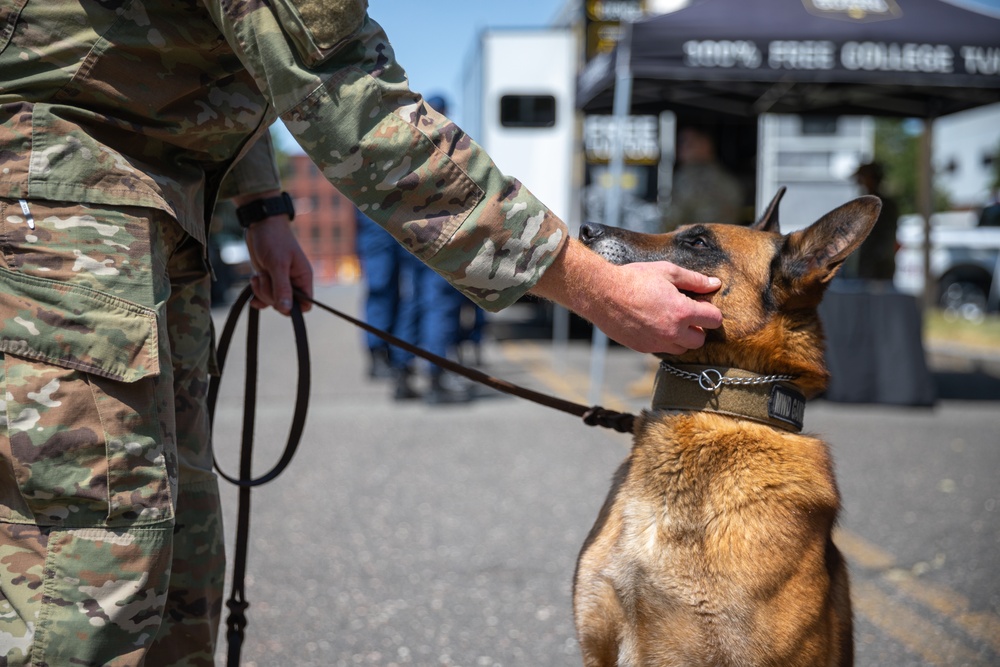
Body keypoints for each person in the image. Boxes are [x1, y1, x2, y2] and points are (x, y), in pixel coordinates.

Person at [0, 4, 722, 666]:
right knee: (91, 591)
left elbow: (232, 58)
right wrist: (592, 286)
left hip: (150, 207)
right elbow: (352, 100)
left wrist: (263, 204)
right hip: (56, 203)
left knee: (177, 580)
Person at [662, 126, 743, 231]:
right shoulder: (723, 177)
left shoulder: (695, 177)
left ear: (705, 144)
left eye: (689, 143)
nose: (681, 147)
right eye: (680, 142)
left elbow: (670, 218)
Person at [851, 161, 900, 282]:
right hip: (868, 267)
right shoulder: (863, 204)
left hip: (878, 268)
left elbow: (885, 238)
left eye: (863, 177)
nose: (861, 182)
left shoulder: (883, 205)